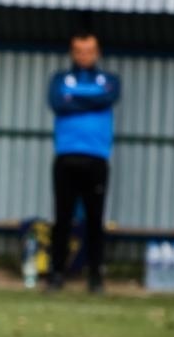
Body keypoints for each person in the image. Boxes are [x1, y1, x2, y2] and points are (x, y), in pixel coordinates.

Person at [47, 31, 122, 293]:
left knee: (94, 220)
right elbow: (58, 102)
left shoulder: (109, 79)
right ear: (72, 52)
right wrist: (92, 101)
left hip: (97, 157)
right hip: (66, 156)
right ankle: (56, 275)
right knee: (62, 218)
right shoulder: (60, 79)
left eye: (89, 51)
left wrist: (74, 100)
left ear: (97, 52)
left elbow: (108, 97)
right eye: (79, 51)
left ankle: (95, 278)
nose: (84, 56)